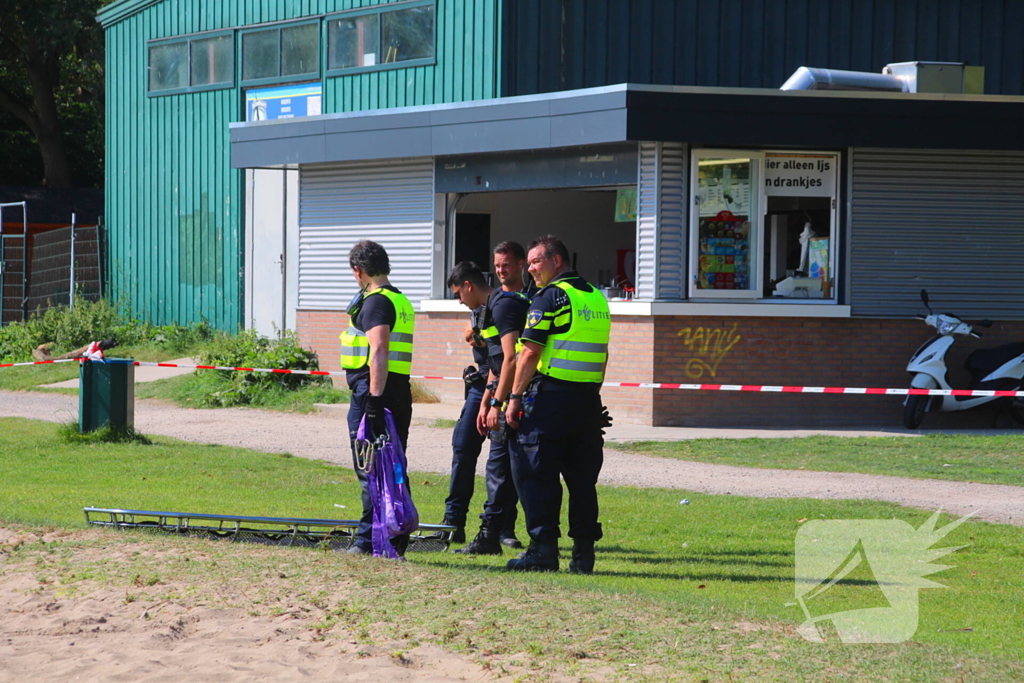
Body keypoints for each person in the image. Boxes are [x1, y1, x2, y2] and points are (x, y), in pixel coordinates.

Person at [504, 235, 612, 574]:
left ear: (557, 262)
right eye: (531, 262)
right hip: (587, 401)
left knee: (537, 474)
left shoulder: (551, 296)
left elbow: (530, 351)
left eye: (537, 261)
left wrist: (514, 397)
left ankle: (543, 552)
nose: (531, 268)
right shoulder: (595, 297)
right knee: (582, 480)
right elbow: (603, 353)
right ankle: (583, 556)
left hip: (551, 400)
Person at [438, 256, 523, 549]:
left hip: (500, 387)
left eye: (458, 294)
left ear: (467, 285)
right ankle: (452, 524)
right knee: (463, 448)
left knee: (501, 461)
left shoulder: (504, 305)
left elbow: (507, 361)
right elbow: (492, 360)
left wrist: (495, 401)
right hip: (484, 385)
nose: (460, 301)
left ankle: (502, 528)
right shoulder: (480, 310)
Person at [339, 240, 415, 556]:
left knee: (369, 465)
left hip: (376, 394)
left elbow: (379, 350)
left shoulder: (376, 303)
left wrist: (372, 399)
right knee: (392, 464)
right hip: (397, 391)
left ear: (359, 271)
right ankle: (394, 535)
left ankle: (368, 540)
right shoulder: (400, 299)